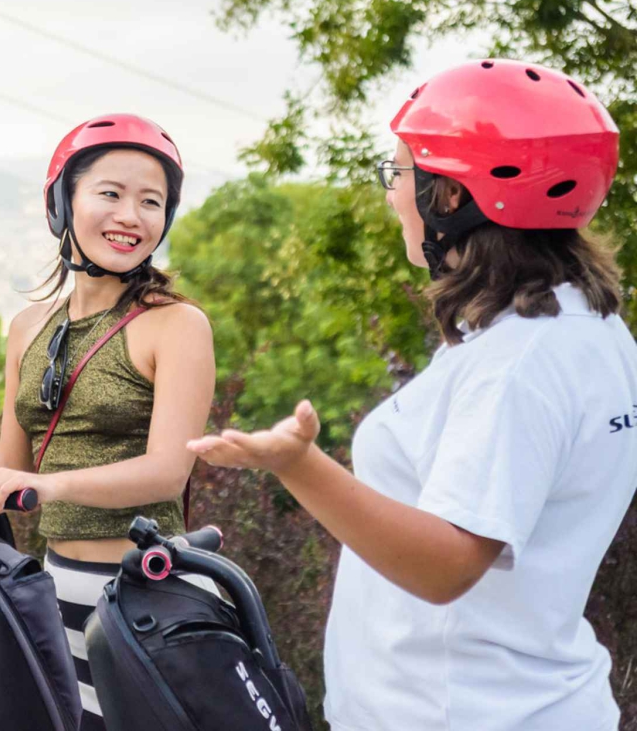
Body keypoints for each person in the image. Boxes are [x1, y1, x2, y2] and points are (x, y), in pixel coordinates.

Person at [189, 60, 637, 731]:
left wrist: (297, 464)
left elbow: (448, 565)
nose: (392, 193)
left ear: (450, 197)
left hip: (462, 713)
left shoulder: (519, 362)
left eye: (398, 173)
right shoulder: (586, 327)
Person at [0, 114, 215, 731]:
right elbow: (13, 473)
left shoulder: (176, 325)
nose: (131, 216)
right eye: (109, 193)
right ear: (63, 202)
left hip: (147, 597)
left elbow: (168, 472)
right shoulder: (29, 329)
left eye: (151, 201)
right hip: (56, 592)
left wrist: (52, 487)